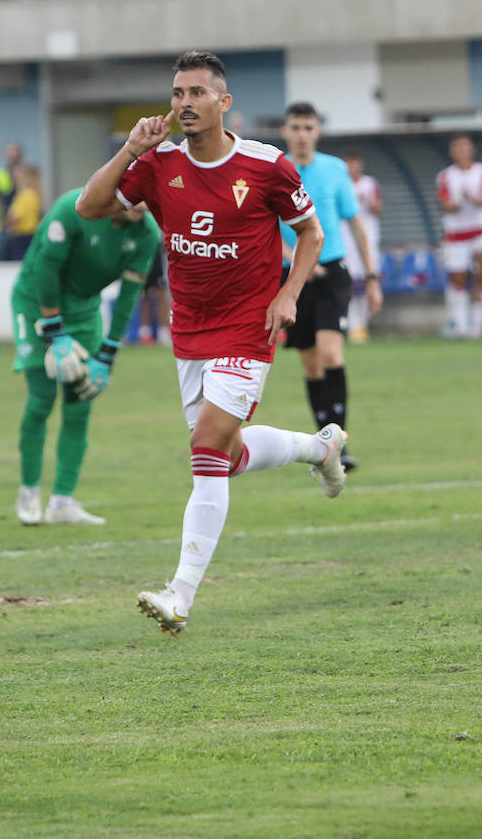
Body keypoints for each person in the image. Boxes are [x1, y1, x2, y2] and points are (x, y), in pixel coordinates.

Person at [75, 50, 348, 636]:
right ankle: (319, 449)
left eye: (197, 93)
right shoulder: (159, 164)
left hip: (249, 327)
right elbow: (89, 206)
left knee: (204, 449)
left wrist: (289, 294)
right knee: (228, 456)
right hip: (190, 331)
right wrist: (131, 150)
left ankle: (180, 595)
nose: (184, 103)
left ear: (223, 103)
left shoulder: (266, 166)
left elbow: (311, 232)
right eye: (178, 93)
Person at [11, 188, 162, 527]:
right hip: (35, 303)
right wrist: (54, 333)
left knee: (81, 402)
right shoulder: (73, 208)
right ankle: (29, 491)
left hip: (84, 311)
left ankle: (62, 502)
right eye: (136, 192)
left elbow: (129, 295)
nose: (143, 203)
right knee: (41, 398)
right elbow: (45, 269)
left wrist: (108, 355)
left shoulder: (146, 232)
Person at [279, 102, 381, 473]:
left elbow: (356, 225)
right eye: (295, 127)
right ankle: (325, 445)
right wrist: (299, 260)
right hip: (292, 277)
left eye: (308, 127)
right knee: (311, 363)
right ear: (285, 132)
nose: (302, 134)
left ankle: (340, 442)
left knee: (331, 353)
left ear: (317, 132)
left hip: (333, 273)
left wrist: (372, 277)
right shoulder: (275, 169)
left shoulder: (336, 169)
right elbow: (264, 229)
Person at [436, 135, 482, 339]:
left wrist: (472, 198)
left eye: (465, 146)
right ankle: (460, 325)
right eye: (457, 147)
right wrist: (457, 203)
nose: (461, 150)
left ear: (471, 150)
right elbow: (445, 204)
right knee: (458, 279)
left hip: (480, 231)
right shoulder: (445, 175)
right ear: (452, 152)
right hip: (456, 233)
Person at [341, 149, 382, 343]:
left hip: (367, 239)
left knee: (367, 281)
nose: (352, 167)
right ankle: (351, 323)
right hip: (345, 239)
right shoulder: (342, 184)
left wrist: (370, 203)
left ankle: (362, 324)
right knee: (349, 282)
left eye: (355, 163)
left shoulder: (370, 184)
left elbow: (378, 208)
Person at [0, 142, 23, 253]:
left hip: (22, 226)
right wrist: (2, 221)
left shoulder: (26, 173)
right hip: (3, 226)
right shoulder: (0, 175)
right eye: (10, 151)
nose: (13, 154)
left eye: (15, 151)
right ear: (5, 154)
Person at [4, 164, 43, 261]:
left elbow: (15, 218)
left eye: (16, 177)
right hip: (32, 235)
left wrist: (5, 222)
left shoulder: (25, 195)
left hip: (22, 237)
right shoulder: (34, 194)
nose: (14, 180)